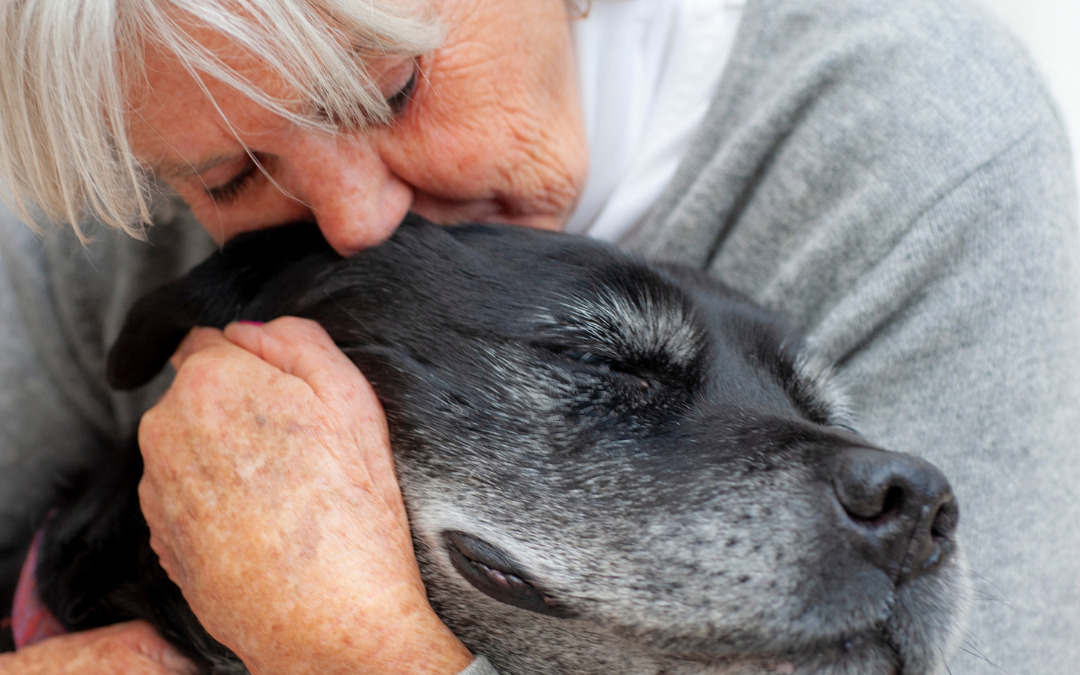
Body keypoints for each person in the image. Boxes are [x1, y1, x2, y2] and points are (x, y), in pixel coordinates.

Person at [0, 0, 1077, 672]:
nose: (358, 221)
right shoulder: (114, 181)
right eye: (232, 177)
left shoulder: (925, 150)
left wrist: (348, 652)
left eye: (395, 86)